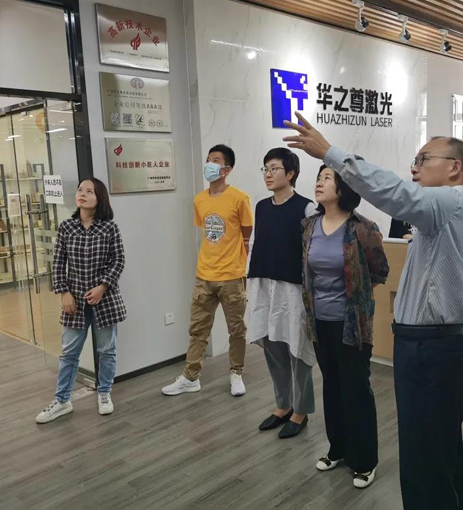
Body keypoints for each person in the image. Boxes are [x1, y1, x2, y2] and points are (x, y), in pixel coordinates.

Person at [284, 112, 463, 510]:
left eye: (424, 159)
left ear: (454, 168)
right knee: (438, 450)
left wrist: (330, 153)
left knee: (425, 458)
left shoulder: (453, 202)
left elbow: (395, 193)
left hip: (433, 350)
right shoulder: (440, 217)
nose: (414, 168)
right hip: (427, 347)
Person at [302, 164, 390, 489]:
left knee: (356, 389)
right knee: (332, 386)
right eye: (319, 177)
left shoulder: (362, 228)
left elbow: (380, 271)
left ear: (344, 187)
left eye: (327, 178)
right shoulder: (309, 226)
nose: (319, 182)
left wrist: (357, 299)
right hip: (319, 321)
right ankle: (337, 448)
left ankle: (364, 460)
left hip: (352, 323)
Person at [163, 145, 253, 397]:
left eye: (216, 160)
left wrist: (239, 264)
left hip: (232, 275)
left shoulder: (239, 198)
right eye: (208, 159)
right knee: (198, 329)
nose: (209, 164)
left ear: (227, 169)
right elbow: (207, 233)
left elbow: (247, 235)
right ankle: (190, 377)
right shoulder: (199, 199)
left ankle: (236, 373)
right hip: (204, 275)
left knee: (236, 329)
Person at [36, 178, 126, 424]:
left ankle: (104, 392)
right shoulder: (67, 227)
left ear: (99, 198)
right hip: (74, 300)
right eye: (80, 190)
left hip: (105, 300)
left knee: (106, 350)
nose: (82, 194)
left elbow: (118, 260)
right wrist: (64, 293)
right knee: (69, 352)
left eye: (89, 191)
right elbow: (58, 263)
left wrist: (102, 287)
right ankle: (62, 400)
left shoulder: (109, 228)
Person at [247, 148, 316, 439]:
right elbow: (255, 244)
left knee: (297, 348)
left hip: (293, 288)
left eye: (274, 168)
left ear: (291, 173)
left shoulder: (306, 207)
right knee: (272, 345)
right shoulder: (262, 206)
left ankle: (301, 410)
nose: (268, 174)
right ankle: (283, 405)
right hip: (265, 284)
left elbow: (312, 251)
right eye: (265, 169)